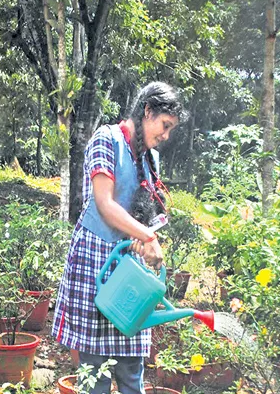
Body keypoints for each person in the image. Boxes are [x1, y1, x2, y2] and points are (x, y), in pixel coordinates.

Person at [51, 82, 186, 393]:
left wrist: (144, 237)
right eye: (165, 126)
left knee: (130, 370)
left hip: (129, 271)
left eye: (170, 130)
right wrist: (145, 235)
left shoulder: (150, 159)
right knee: (95, 372)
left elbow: (143, 217)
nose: (165, 136)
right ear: (147, 111)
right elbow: (105, 204)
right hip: (95, 261)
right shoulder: (106, 139)